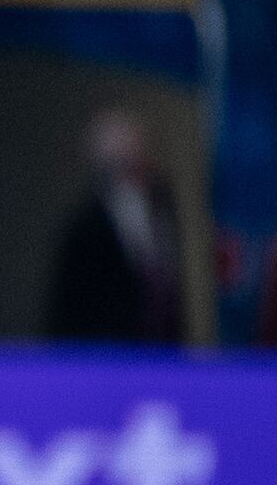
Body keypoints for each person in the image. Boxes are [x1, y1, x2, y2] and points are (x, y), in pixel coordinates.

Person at [45, 108, 184, 345]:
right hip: (108, 358)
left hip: (161, 354)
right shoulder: (86, 229)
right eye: (125, 161)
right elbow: (69, 309)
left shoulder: (161, 207)